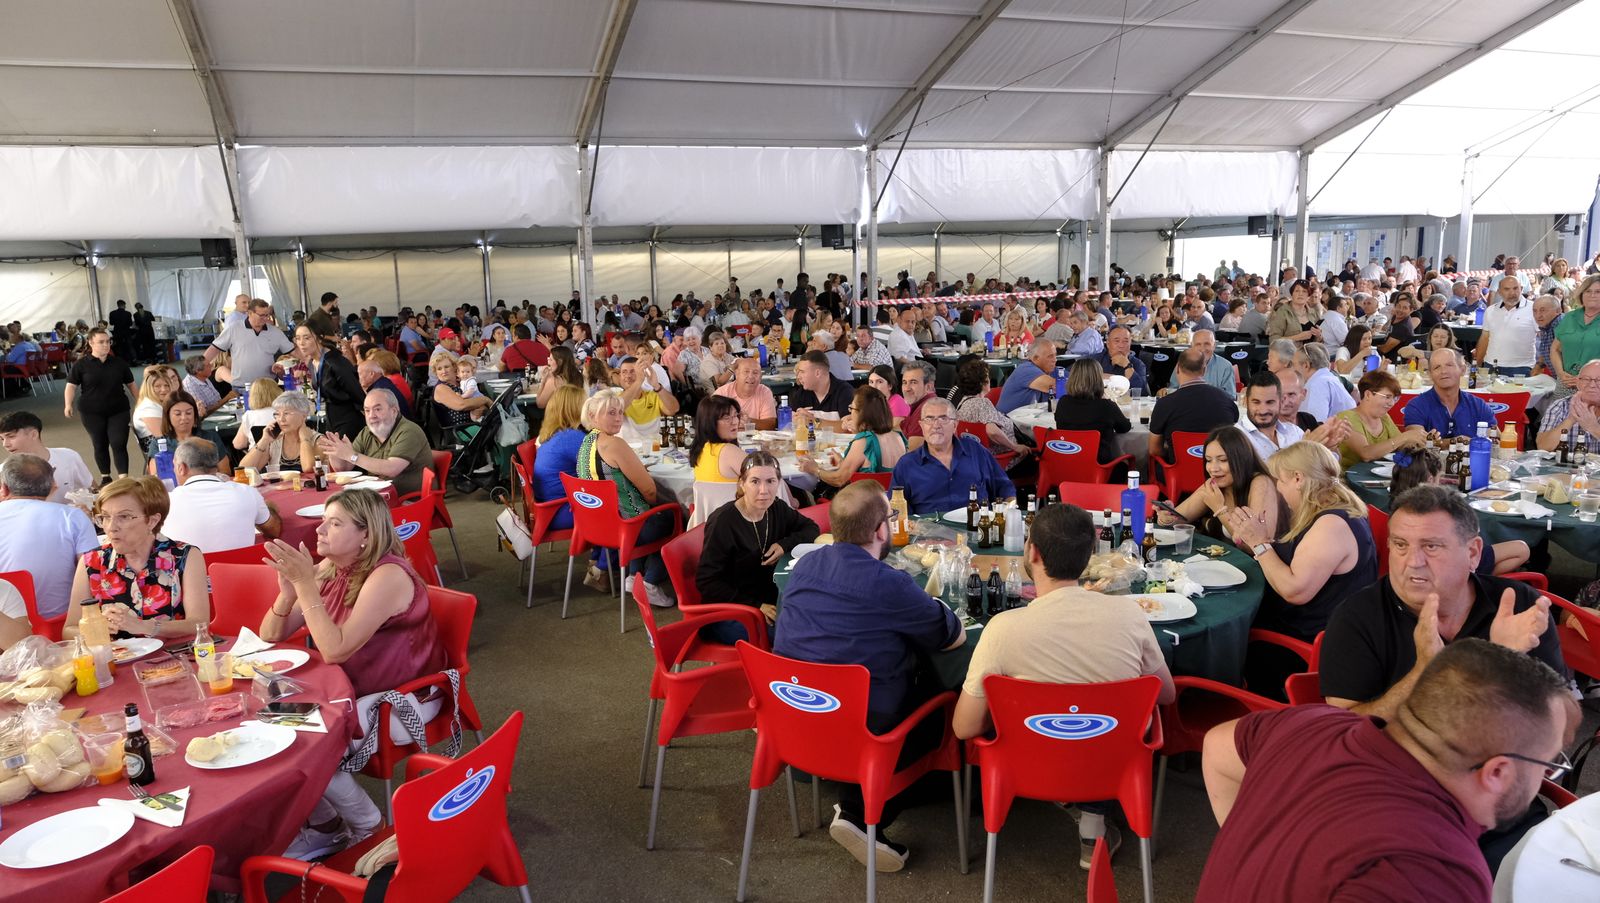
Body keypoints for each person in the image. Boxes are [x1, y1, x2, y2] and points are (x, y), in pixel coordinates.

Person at [1197, 639, 1573, 903]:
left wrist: (1256, 849)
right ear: (1497, 772)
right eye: (1548, 763)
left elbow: (1215, 744)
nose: (1545, 777)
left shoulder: (1307, 723)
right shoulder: (1433, 873)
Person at [953, 502, 1175, 866]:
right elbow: (1165, 694)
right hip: (1113, 759)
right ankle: (1093, 823)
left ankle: (1079, 809)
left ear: (1032, 552)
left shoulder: (1002, 629)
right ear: (1089, 555)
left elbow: (964, 728)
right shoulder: (1130, 615)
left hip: (1029, 763)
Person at [772, 480, 965, 870]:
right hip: (861, 726)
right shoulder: (889, 583)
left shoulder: (806, 564)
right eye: (891, 518)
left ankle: (855, 799)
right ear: (881, 530)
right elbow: (952, 637)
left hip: (790, 716)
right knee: (943, 697)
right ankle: (864, 811)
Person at [259, 488, 448, 861]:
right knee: (269, 724)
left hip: (405, 697)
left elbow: (335, 649)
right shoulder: (332, 569)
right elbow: (270, 633)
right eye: (323, 521)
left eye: (335, 523)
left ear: (366, 535)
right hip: (353, 691)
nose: (320, 531)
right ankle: (328, 826)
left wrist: (305, 586)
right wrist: (288, 593)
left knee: (303, 744)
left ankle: (367, 826)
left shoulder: (388, 575)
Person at [1224, 441, 1376, 645]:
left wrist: (1259, 543)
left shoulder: (1332, 525)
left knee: (1227, 632)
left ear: (1298, 478)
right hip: (1310, 626)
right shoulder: (1332, 508)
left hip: (1307, 641)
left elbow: (1295, 591)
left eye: (1280, 480)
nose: (1278, 488)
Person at [63, 476, 210, 641]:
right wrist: (95, 627)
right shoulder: (92, 562)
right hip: (117, 661)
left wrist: (143, 626)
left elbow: (199, 623)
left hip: (174, 659)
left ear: (152, 521)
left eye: (124, 517)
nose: (111, 527)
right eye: (105, 517)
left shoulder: (184, 556)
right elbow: (69, 629)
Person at [697, 452, 820, 643]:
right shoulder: (723, 522)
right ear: (742, 484)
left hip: (768, 600)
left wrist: (783, 545)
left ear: (779, 483)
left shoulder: (776, 508)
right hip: (727, 612)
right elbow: (707, 582)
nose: (764, 490)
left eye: (770, 481)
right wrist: (756, 606)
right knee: (799, 637)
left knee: (816, 620)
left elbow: (811, 527)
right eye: (755, 481)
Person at [576, 389, 676, 607]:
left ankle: (633, 576)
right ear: (593, 416)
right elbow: (649, 491)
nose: (618, 418)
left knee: (638, 511)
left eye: (620, 412)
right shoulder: (614, 444)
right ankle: (650, 582)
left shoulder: (585, 443)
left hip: (599, 527)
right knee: (676, 516)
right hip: (626, 529)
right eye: (611, 413)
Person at [0, 454, 98, 620]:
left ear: (4, 488)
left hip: (7, 631)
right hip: (64, 626)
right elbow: (93, 573)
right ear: (53, 486)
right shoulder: (72, 517)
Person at [1156, 426, 1282, 545]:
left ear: (1241, 460)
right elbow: (1179, 520)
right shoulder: (1214, 485)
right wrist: (1166, 517)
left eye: (1223, 460)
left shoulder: (1261, 483)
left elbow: (1256, 545)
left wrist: (1219, 509)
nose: (1213, 468)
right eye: (1209, 460)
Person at [891, 398, 1013, 515]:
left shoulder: (976, 452)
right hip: (929, 533)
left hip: (978, 530)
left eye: (943, 418)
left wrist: (1008, 514)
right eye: (929, 419)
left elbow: (1005, 488)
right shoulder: (907, 465)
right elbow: (896, 511)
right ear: (921, 426)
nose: (936, 425)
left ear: (955, 425)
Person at [163, 438, 281, 553]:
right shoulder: (246, 492)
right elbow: (274, 530)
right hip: (242, 570)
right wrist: (267, 508)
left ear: (181, 468)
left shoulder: (164, 502)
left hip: (190, 572)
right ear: (216, 465)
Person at [319, 389, 434, 495]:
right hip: (377, 496)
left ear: (394, 411)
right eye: (367, 410)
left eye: (377, 409)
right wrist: (335, 451)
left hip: (408, 501)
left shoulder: (409, 431)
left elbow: (392, 469)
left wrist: (351, 455)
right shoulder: (367, 432)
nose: (371, 416)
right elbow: (345, 468)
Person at [63, 327, 137, 485]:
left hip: (118, 409)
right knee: (99, 443)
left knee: (118, 442)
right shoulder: (81, 365)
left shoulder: (119, 363)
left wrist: (141, 401)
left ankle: (124, 479)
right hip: (91, 411)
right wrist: (67, 404)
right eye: (101, 342)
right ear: (90, 343)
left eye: (108, 342)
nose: (105, 345)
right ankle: (106, 476)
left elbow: (131, 385)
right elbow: (71, 386)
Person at [802, 386, 909, 488]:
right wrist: (842, 463)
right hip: (894, 500)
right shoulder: (899, 437)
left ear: (862, 413)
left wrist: (814, 469)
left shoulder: (864, 441)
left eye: (852, 408)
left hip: (866, 502)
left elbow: (839, 479)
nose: (850, 413)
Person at [1148, 348, 1237, 462]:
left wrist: (1175, 452)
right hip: (1218, 472)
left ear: (1177, 369)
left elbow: (1154, 450)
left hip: (1177, 474)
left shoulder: (1164, 404)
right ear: (1204, 370)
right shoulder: (1226, 400)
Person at [1334, 370, 1431, 467]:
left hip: (1378, 476)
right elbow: (1366, 454)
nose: (1392, 403)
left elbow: (1401, 445)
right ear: (1368, 395)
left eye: (1395, 398)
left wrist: (1423, 439)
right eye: (1387, 397)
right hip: (1349, 478)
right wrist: (1405, 436)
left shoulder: (1384, 417)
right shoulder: (1347, 417)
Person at [0, 411, 92, 504]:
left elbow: (90, 487)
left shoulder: (68, 456)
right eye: (2, 439)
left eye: (11, 437)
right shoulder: (4, 471)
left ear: (33, 434)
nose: (5, 444)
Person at [1400, 349, 1496, 438]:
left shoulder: (1479, 406)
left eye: (1449, 365)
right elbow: (1417, 442)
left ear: (1462, 370)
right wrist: (1459, 442)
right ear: (1430, 374)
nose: (1443, 371)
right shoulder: (1416, 406)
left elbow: (1495, 439)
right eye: (1437, 367)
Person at [205, 298, 293, 394]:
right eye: (261, 315)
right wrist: (200, 365)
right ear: (250, 313)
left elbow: (292, 351)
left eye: (267, 315)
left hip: (269, 386)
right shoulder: (234, 329)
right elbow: (214, 348)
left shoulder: (275, 332)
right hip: (242, 388)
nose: (265, 318)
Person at [1050, 358, 1130, 463]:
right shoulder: (1106, 406)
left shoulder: (1063, 403)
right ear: (1098, 380)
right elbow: (1124, 428)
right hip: (1099, 468)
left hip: (1066, 465)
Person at [951, 360, 1032, 462]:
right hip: (1004, 459)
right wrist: (1015, 447)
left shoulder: (962, 402)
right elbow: (992, 432)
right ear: (982, 383)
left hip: (976, 459)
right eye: (987, 377)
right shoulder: (982, 403)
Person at [295, 324, 365, 440]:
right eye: (298, 338)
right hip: (331, 418)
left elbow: (358, 395)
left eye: (307, 338)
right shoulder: (312, 362)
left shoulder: (336, 363)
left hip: (348, 420)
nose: (301, 343)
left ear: (319, 338)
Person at [149, 391, 233, 477]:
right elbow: (155, 478)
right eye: (178, 414)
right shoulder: (159, 444)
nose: (184, 418)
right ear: (168, 416)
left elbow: (225, 471)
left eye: (188, 413)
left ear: (195, 414)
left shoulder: (209, 437)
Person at [239, 391, 320, 474]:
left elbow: (308, 469)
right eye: (277, 414)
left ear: (304, 416)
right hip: (278, 486)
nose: (281, 419)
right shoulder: (275, 441)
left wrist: (304, 440)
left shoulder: (318, 440)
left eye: (286, 413)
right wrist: (264, 440)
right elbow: (244, 470)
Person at [1536, 359, 1600, 451]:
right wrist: (1571, 419)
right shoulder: (1560, 406)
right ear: (1577, 382)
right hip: (1567, 464)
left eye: (1599, 380)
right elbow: (1543, 447)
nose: (1592, 385)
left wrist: (1594, 428)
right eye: (1586, 379)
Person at [1549, 273, 1600, 391]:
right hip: (1566, 383)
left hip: (1595, 387)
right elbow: (1555, 349)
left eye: (1598, 292)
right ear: (1581, 294)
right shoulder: (1569, 317)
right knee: (1560, 409)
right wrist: (1561, 373)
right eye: (1588, 291)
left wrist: (1587, 378)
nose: (1592, 295)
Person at [617, 353, 681, 443]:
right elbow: (617, 408)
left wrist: (657, 386)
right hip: (629, 451)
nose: (628, 376)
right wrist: (639, 380)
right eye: (624, 372)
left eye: (632, 371)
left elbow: (674, 409)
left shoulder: (653, 395)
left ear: (642, 373)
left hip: (656, 448)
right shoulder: (615, 398)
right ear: (620, 376)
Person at [1164, 330, 1238, 398]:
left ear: (1214, 345)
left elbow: (1230, 397)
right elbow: (1173, 390)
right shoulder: (1183, 363)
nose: (1202, 349)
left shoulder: (1225, 366)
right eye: (1198, 344)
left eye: (1207, 344)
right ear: (1191, 346)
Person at [689, 396, 747, 483]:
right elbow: (764, 478)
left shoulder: (701, 448)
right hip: (730, 496)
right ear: (710, 423)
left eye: (735, 415)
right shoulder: (728, 451)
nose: (735, 422)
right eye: (726, 418)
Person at [1294, 343, 1356, 423]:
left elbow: (1313, 425)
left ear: (1306, 365)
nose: (1291, 369)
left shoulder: (1317, 384)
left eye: (1293, 364)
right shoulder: (1327, 377)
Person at [713, 356, 778, 430]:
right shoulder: (722, 394)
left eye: (755, 373)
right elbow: (710, 423)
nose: (750, 376)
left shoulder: (764, 392)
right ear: (737, 375)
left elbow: (770, 424)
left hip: (756, 440)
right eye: (746, 372)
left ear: (760, 378)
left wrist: (749, 421)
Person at [996, 340, 1060, 413]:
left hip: (1030, 419)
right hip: (1007, 421)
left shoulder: (1051, 370)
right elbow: (1056, 387)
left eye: (1055, 355)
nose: (1055, 359)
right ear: (1036, 358)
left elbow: (1073, 381)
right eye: (1050, 356)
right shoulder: (1026, 369)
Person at [791, 351, 855, 422]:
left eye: (802, 372)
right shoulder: (802, 393)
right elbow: (789, 424)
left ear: (817, 373)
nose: (799, 376)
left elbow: (849, 427)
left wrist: (815, 421)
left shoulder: (845, 392)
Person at [233, 377, 285, 452]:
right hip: (283, 455)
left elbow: (239, 444)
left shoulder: (249, 415)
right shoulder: (285, 413)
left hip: (258, 458)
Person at [1266, 279, 1323, 344]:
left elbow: (1319, 342)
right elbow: (1274, 340)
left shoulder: (1313, 313)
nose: (1300, 294)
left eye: (1304, 291)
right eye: (1297, 291)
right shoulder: (1282, 312)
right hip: (1289, 353)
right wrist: (1298, 337)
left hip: (1310, 353)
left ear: (1308, 296)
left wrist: (1319, 336)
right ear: (1292, 294)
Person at [1094, 326, 1147, 393]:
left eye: (1126, 341)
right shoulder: (1094, 361)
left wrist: (1127, 366)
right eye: (1117, 341)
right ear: (1108, 344)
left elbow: (1142, 393)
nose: (1121, 345)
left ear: (1130, 344)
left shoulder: (1138, 364)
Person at [899, 361, 938, 450]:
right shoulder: (919, 404)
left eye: (913, 382)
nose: (907, 388)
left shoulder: (928, 409)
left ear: (928, 387)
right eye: (904, 382)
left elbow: (912, 453)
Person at [535, 345, 584, 410]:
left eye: (551, 360)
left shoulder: (554, 380)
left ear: (560, 362)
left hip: (559, 418)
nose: (548, 362)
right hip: (576, 416)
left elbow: (540, 404)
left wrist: (543, 380)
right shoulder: (579, 377)